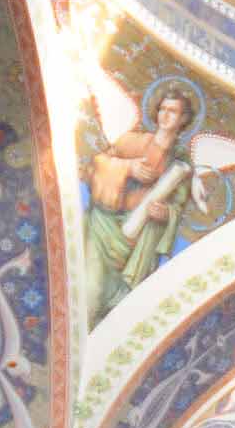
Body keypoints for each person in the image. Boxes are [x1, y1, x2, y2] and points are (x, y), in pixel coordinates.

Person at [82, 82, 202, 328]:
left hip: (136, 242)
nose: (165, 115)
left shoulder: (180, 165)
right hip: (102, 228)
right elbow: (95, 165)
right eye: (163, 109)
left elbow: (177, 207)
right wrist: (128, 167)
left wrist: (166, 214)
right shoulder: (132, 142)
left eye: (173, 111)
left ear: (183, 119)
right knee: (90, 291)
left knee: (114, 305)